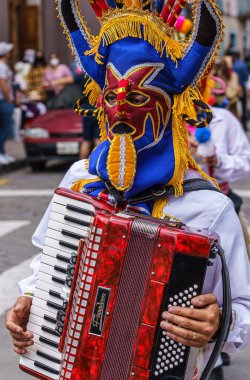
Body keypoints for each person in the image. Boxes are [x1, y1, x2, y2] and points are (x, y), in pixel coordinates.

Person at [5, 1, 250, 380]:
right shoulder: (78, 178)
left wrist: (219, 323)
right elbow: (47, 258)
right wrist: (32, 297)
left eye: (137, 99)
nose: (121, 113)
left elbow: (242, 307)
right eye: (112, 98)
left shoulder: (210, 207)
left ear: (169, 108)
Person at [0, 42, 15, 165]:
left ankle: (2, 152)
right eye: (9, 51)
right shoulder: (2, 66)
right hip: (3, 100)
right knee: (6, 126)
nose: (10, 53)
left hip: (4, 100)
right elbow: (3, 83)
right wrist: (8, 98)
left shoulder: (4, 66)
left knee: (5, 126)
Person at [232, 52, 249, 131]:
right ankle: (245, 126)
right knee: (244, 106)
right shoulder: (243, 64)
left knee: (234, 107)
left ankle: (236, 126)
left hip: (234, 88)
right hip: (242, 87)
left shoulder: (233, 65)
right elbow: (246, 77)